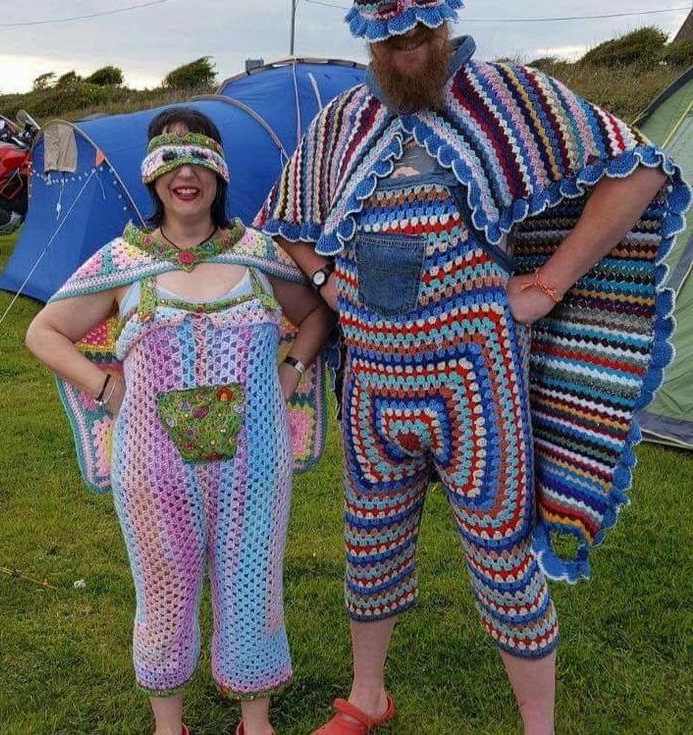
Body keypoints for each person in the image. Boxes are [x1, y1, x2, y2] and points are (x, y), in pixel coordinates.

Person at [254, 2, 692, 733]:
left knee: (502, 554)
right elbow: (284, 215)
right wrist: (328, 283)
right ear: (369, 40)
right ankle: (367, 697)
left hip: (476, 379)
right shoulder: (343, 120)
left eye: (419, 35)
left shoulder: (507, 97)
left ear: (444, 25)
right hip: (373, 384)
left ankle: (538, 726)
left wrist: (551, 282)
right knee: (369, 541)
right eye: (390, 39)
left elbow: (640, 167)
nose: (406, 50)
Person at [26, 107, 334, 735]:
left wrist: (291, 372)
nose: (185, 173)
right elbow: (45, 332)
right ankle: (170, 726)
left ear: (219, 174)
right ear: (150, 176)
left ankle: (257, 720)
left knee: (253, 586)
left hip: (255, 458)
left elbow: (318, 315)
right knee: (164, 595)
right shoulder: (122, 261)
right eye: (169, 159)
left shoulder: (258, 255)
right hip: (152, 462)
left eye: (199, 159)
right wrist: (105, 385)